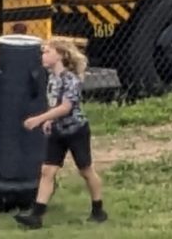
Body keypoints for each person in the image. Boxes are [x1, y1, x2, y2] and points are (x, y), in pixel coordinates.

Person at [16, 37, 108, 225]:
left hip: (76, 131)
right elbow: (54, 103)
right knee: (47, 171)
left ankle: (98, 210)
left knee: (86, 170)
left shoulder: (70, 79)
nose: (43, 55)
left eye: (47, 52)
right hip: (58, 131)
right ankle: (36, 216)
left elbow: (66, 107)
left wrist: (40, 119)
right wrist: (50, 121)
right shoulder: (52, 77)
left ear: (60, 55)